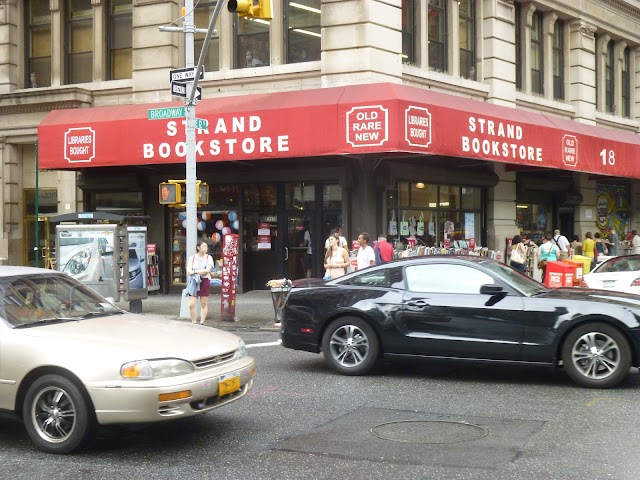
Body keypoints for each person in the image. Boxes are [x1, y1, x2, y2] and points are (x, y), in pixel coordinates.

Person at [186, 242, 214, 325]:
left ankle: (202, 322)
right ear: (198, 247)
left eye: (206, 246)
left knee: (204, 303)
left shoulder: (209, 258)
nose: (205, 248)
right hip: (194, 281)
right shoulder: (192, 258)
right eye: (203, 246)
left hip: (205, 280)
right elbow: (188, 271)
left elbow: (207, 270)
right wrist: (197, 272)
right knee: (191, 304)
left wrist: (195, 271)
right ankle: (194, 322)